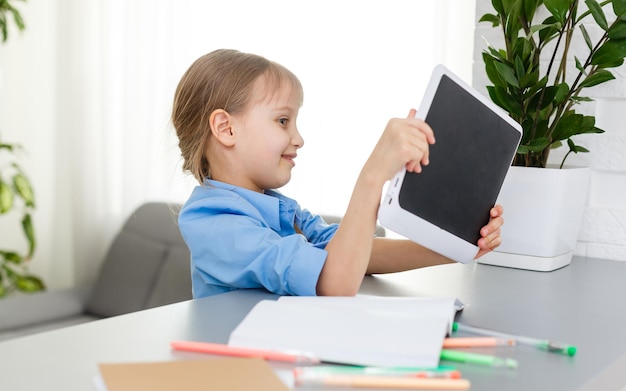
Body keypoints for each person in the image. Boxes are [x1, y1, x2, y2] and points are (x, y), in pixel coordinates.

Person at [173, 49, 503, 298]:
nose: (298, 139)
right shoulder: (212, 221)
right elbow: (334, 279)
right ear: (225, 128)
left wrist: (458, 247)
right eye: (283, 121)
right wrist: (373, 176)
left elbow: (358, 255)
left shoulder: (280, 209)